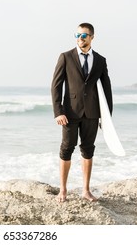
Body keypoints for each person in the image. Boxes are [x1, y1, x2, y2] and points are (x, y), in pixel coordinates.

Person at [51, 23, 113, 202]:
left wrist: (106, 117)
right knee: (66, 149)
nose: (80, 38)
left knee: (88, 150)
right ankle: (62, 190)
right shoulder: (66, 57)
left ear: (92, 37)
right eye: (77, 35)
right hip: (69, 113)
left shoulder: (100, 60)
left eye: (84, 35)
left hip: (92, 113)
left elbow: (107, 89)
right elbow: (56, 86)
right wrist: (58, 112)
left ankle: (86, 190)